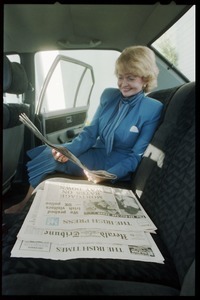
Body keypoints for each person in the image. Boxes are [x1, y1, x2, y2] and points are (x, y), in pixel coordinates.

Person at [4, 45, 163, 214]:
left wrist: (108, 175)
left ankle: (24, 206)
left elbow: (135, 156)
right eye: (120, 77)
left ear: (145, 79)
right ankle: (25, 202)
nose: (123, 84)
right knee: (50, 154)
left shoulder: (152, 108)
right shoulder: (109, 95)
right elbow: (90, 133)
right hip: (97, 153)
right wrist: (67, 149)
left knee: (52, 161)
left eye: (130, 78)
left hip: (117, 164)